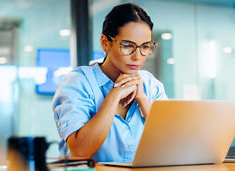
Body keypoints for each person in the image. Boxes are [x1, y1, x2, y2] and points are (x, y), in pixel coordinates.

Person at [52, 3, 168, 162]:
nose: (138, 57)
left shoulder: (151, 84)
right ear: (105, 42)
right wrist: (114, 96)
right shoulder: (79, 82)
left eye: (145, 47)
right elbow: (80, 151)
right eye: (128, 46)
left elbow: (169, 145)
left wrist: (142, 99)